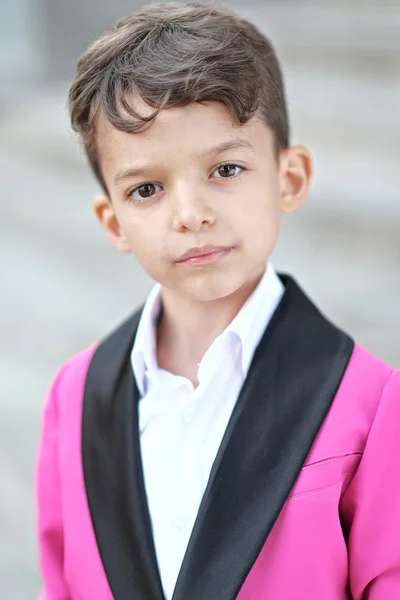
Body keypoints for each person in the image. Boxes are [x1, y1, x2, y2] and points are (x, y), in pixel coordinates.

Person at [35, 2, 400, 599]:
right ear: (114, 222)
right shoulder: (73, 399)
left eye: (226, 169)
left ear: (290, 178)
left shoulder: (373, 405)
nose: (191, 214)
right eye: (147, 188)